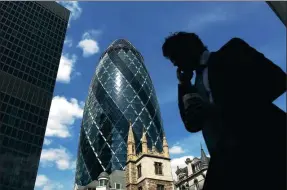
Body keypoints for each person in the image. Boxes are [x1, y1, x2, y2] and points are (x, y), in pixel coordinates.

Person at [162, 32, 286, 190]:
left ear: (188, 49)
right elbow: (192, 124)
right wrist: (183, 84)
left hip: (265, 141)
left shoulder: (232, 52)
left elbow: (277, 80)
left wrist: (217, 110)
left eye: (175, 57)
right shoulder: (194, 85)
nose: (175, 65)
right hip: (226, 155)